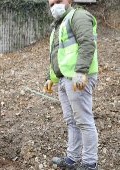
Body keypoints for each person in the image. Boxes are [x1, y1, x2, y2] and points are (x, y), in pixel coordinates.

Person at [44, 0, 99, 169]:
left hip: (77, 77)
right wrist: (50, 78)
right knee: (71, 121)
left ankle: (90, 163)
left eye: (58, 2)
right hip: (63, 79)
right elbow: (57, 55)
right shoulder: (58, 25)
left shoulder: (79, 16)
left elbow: (87, 43)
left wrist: (81, 72)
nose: (54, 7)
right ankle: (73, 159)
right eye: (51, 4)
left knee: (83, 120)